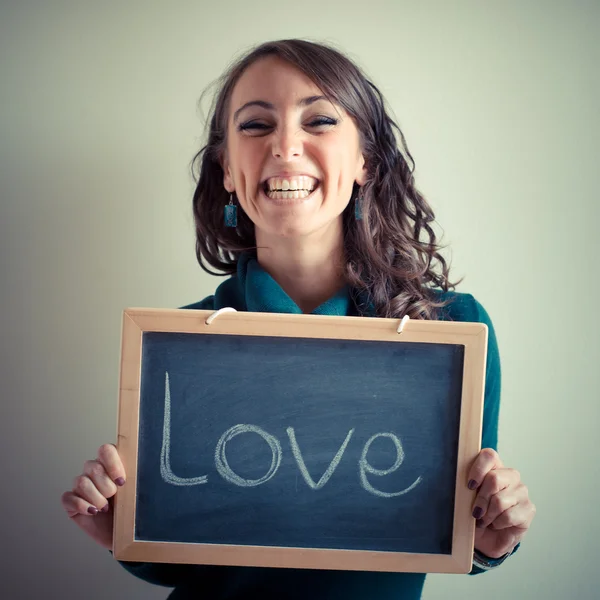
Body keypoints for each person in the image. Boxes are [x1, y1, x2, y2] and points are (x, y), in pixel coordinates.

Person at [61, 38, 536, 599]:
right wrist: (119, 532)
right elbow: (184, 556)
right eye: (256, 126)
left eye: (319, 120)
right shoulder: (173, 347)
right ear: (228, 171)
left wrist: (494, 539)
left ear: (366, 160)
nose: (286, 146)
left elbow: (461, 536)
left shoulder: (452, 331)